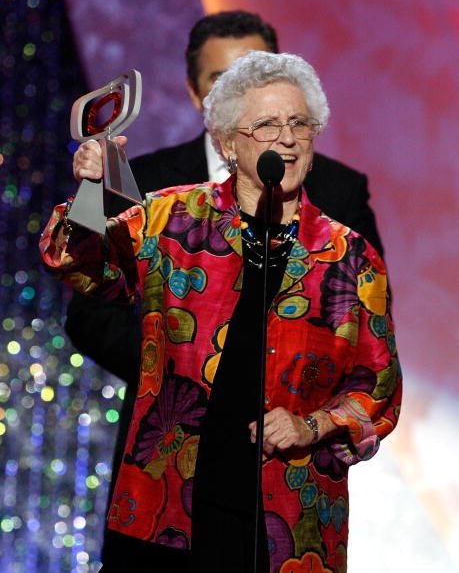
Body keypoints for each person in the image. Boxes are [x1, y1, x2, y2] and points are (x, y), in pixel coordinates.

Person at [40, 50, 402, 573]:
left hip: (288, 514)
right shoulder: (172, 218)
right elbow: (78, 262)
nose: (287, 137)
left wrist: (311, 425)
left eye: (300, 122)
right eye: (267, 124)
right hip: (169, 499)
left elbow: (378, 389)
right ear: (228, 143)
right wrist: (91, 192)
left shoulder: (349, 256)